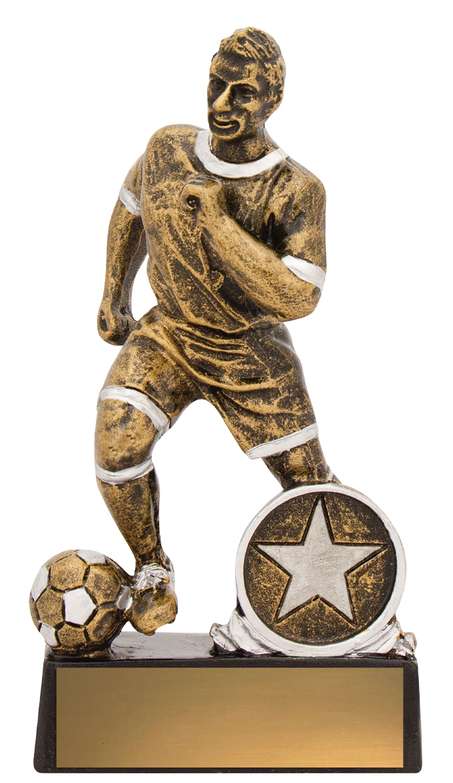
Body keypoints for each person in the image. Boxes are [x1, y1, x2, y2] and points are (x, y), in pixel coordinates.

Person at [95, 27, 333, 633]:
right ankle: (152, 569)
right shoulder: (167, 148)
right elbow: (131, 209)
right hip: (170, 334)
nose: (222, 104)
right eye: (216, 85)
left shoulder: (296, 189)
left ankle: (343, 606)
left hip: (250, 350)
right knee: (117, 444)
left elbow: (299, 296)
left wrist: (220, 224)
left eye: (242, 93)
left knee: (310, 489)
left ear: (272, 100)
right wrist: (114, 293)